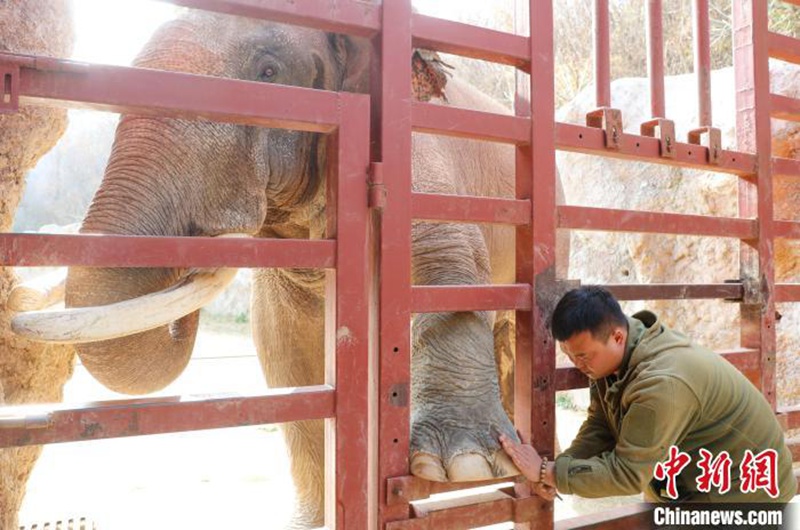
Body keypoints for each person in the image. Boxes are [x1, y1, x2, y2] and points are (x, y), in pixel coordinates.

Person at [500, 285, 796, 503]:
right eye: (571, 356)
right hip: (696, 483)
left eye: (584, 356)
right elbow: (601, 426)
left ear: (617, 336)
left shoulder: (661, 384)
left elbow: (627, 474)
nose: (579, 365)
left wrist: (546, 472)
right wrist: (560, 469)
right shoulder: (615, 360)